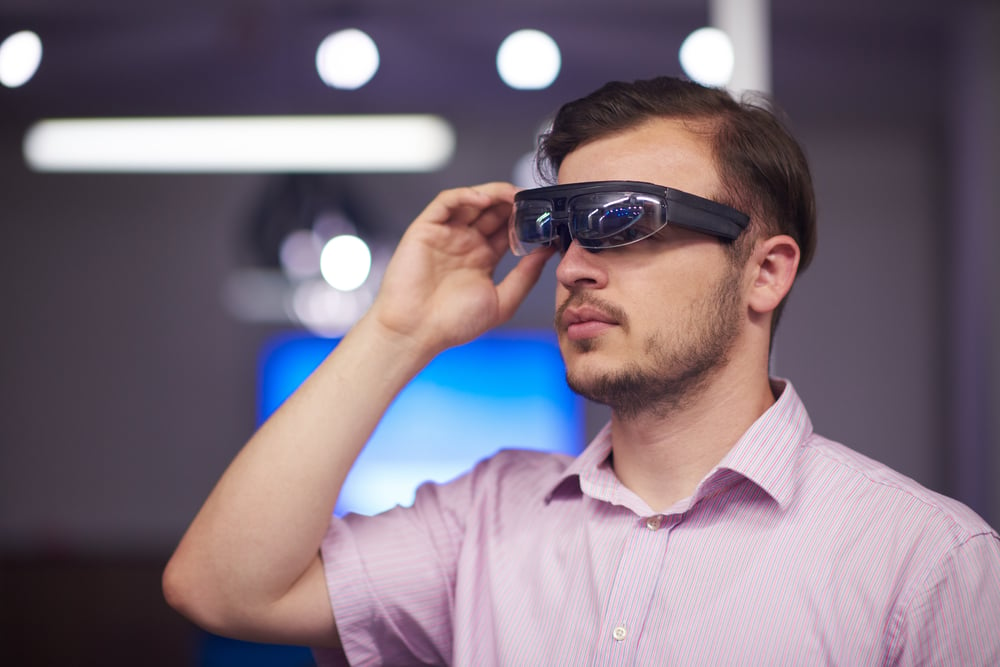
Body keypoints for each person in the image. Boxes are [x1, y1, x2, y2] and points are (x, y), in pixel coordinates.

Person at [163, 76, 1000, 665]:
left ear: (765, 271)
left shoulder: (927, 565)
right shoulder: (483, 519)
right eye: (561, 229)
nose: (571, 269)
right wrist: (396, 329)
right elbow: (222, 589)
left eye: (620, 222)